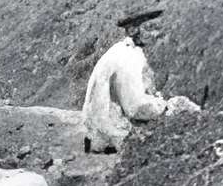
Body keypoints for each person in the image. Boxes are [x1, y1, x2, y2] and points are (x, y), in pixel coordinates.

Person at [80, 8, 196, 152]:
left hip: (108, 132)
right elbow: (135, 107)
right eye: (151, 28)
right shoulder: (127, 57)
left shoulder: (128, 51)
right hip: (113, 137)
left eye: (158, 28)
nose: (157, 34)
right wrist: (166, 107)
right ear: (133, 31)